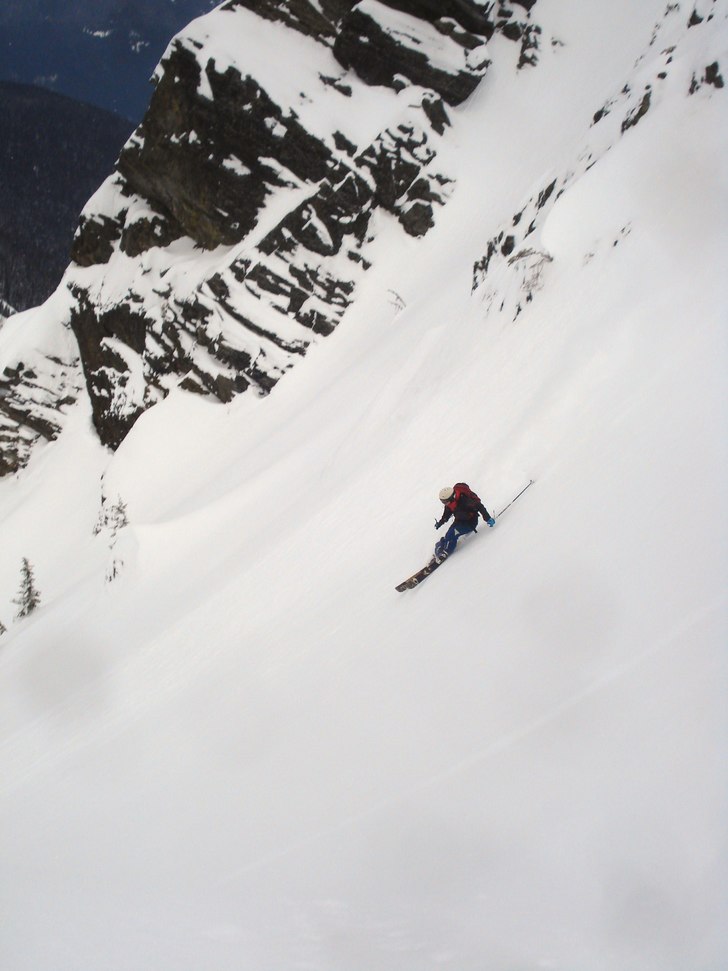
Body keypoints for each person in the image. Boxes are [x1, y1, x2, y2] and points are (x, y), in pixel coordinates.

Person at [433, 482, 494, 563]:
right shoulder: (450, 504)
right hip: (459, 520)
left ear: (452, 497)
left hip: (470, 523)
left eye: (445, 502)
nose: (444, 504)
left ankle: (445, 552)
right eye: (442, 502)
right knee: (448, 535)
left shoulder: (465, 501)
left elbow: (479, 506)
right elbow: (446, 515)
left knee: (452, 533)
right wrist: (440, 523)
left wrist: (488, 518)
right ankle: (442, 546)